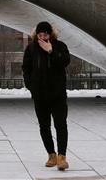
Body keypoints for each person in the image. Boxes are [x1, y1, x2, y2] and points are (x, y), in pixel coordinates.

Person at [22, 21, 70, 170]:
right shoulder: (31, 49)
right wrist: (32, 87)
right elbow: (26, 69)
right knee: (44, 126)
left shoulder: (59, 46)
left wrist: (50, 51)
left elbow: (64, 62)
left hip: (58, 95)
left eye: (45, 35)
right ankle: (51, 155)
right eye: (40, 35)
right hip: (40, 95)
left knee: (60, 124)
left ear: (51, 34)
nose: (42, 37)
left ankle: (62, 157)